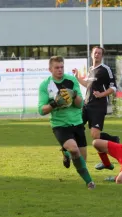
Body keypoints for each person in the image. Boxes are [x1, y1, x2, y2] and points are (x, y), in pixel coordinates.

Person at [38, 56, 95, 190]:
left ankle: (67, 154)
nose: (60, 70)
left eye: (62, 67)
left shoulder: (71, 80)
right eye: (57, 67)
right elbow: (41, 110)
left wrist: (73, 95)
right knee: (74, 149)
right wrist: (55, 103)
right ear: (50, 69)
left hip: (76, 122)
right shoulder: (45, 85)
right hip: (60, 124)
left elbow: (80, 104)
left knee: (81, 159)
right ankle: (90, 182)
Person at [71, 46, 120, 171]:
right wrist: (77, 77)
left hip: (99, 106)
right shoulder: (91, 69)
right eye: (95, 53)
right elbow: (88, 84)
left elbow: (113, 88)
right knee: (75, 126)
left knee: (95, 136)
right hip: (87, 104)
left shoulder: (105, 69)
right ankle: (70, 152)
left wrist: (101, 94)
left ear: (101, 55)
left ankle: (110, 151)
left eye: (99, 53)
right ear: (91, 54)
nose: (97, 55)